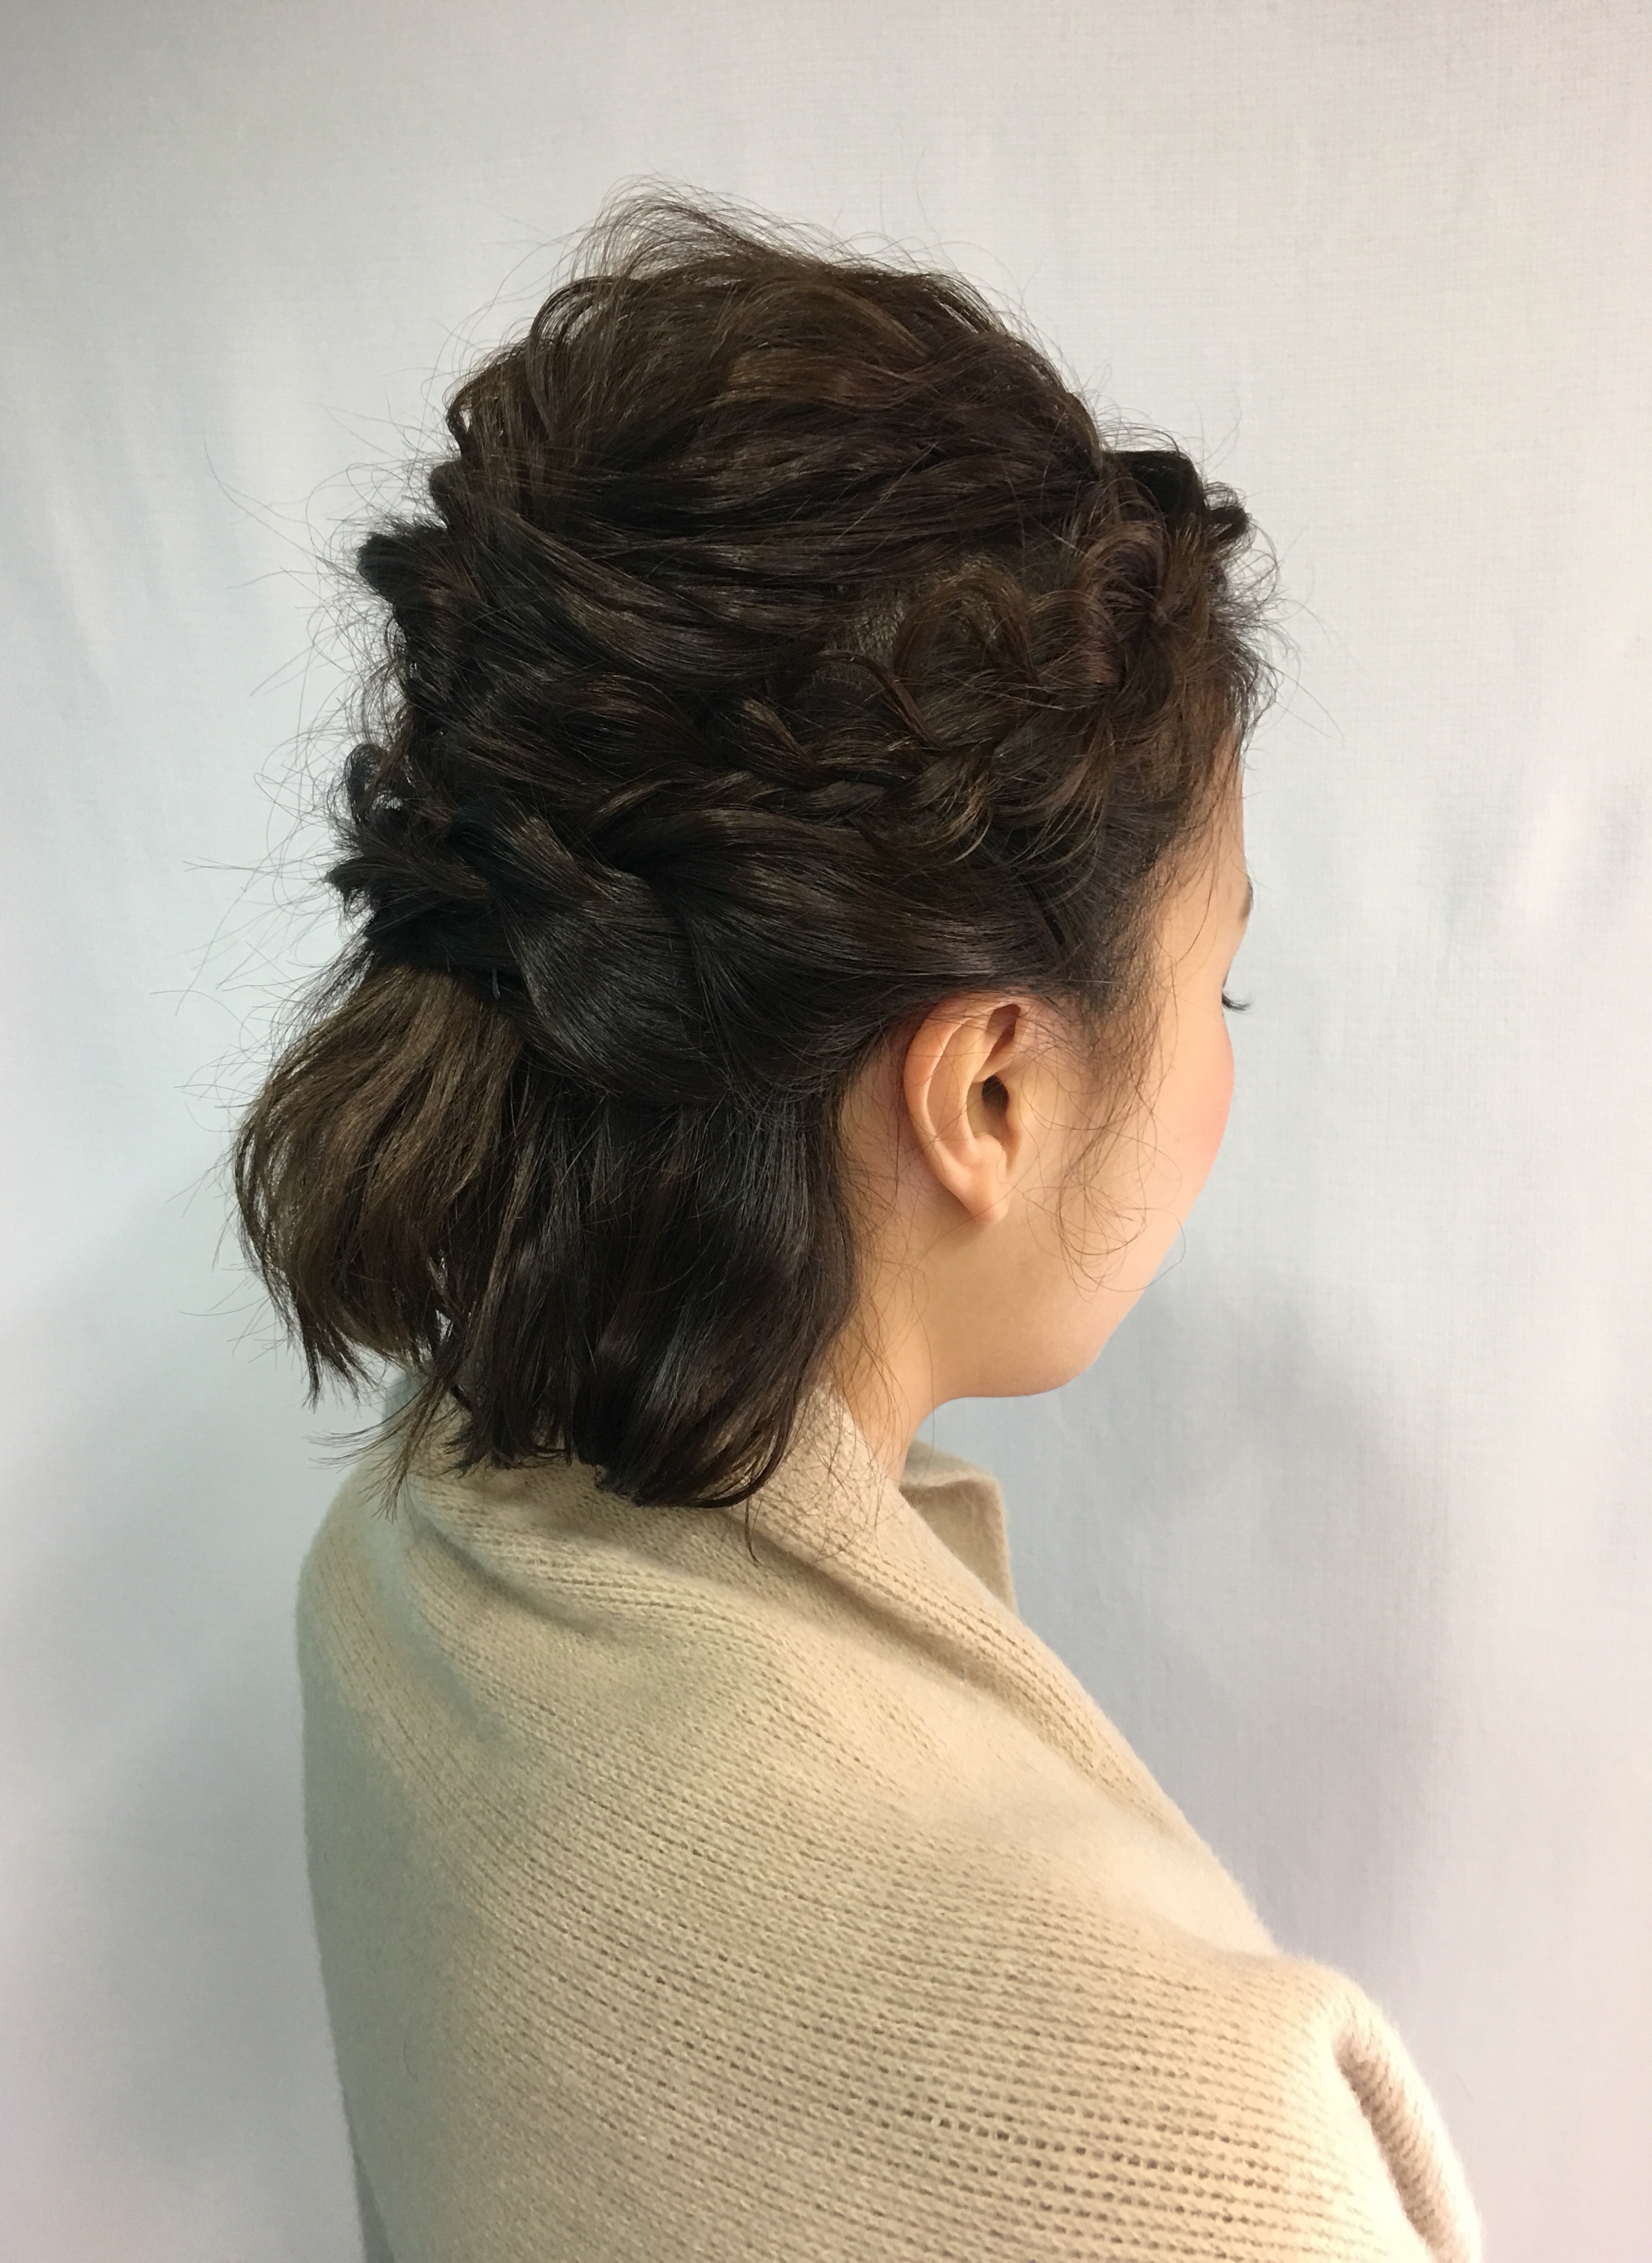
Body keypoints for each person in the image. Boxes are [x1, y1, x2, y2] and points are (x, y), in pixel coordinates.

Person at [233, 191, 1480, 2262]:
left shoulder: (401, 1574)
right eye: (1221, 989)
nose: (1220, 1061)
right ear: (987, 1093)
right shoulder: (1196, 2144)